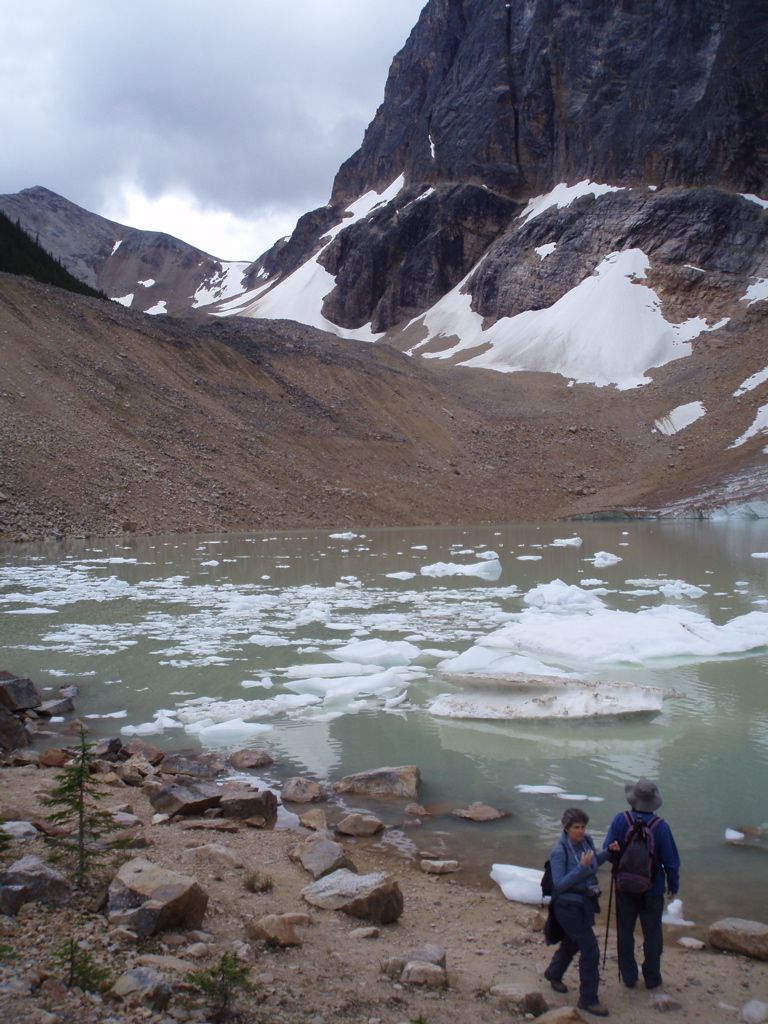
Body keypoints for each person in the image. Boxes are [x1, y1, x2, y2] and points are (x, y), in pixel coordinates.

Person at [603, 779, 680, 991]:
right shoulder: (661, 827)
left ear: (633, 798)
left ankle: (629, 976)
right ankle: (652, 977)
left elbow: (608, 851)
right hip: (653, 889)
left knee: (625, 931)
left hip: (625, 886)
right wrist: (673, 885)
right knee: (653, 933)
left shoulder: (621, 820)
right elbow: (671, 862)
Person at [544, 807, 612, 1017]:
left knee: (573, 943)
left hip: (585, 904)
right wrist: (581, 867)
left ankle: (553, 973)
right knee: (590, 950)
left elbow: (593, 863)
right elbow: (560, 884)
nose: (580, 831)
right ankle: (588, 999)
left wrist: (609, 853)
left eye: (583, 827)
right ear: (566, 829)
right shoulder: (559, 851)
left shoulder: (587, 841)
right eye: (576, 828)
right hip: (567, 906)